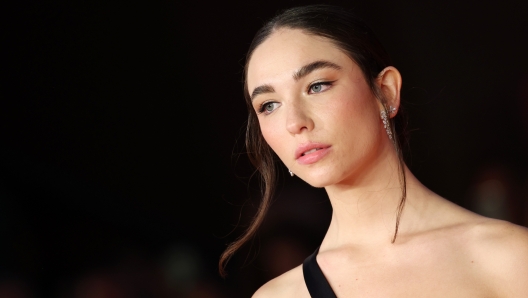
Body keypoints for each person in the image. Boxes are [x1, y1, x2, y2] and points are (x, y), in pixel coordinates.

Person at [220, 5, 528, 297]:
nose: (294, 122)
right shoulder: (284, 294)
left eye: (317, 86)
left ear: (386, 91)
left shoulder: (509, 258)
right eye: (269, 105)